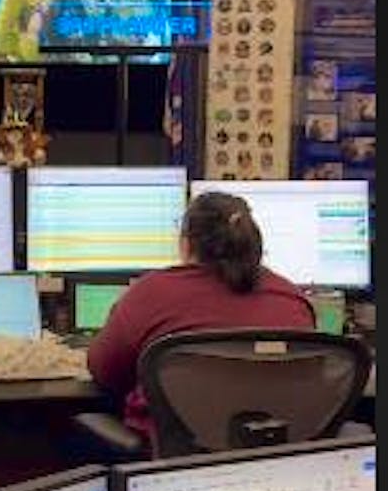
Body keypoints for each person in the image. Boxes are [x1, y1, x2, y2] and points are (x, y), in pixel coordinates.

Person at [87, 189, 316, 445]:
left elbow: (105, 372)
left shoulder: (150, 293)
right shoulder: (291, 299)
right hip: (272, 460)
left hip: (173, 465)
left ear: (186, 243)